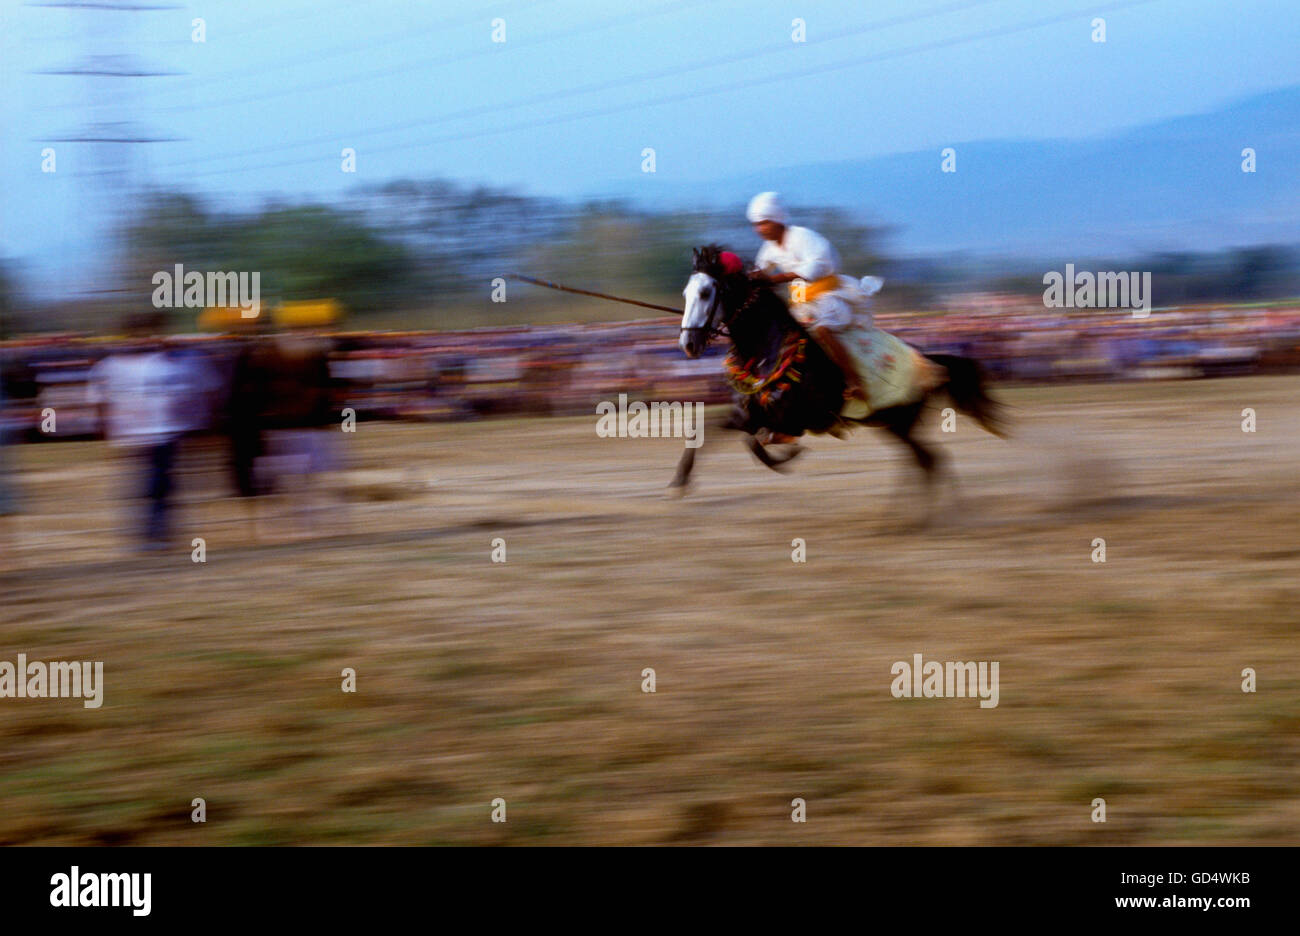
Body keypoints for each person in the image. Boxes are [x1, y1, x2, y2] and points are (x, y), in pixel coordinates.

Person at [746, 191, 871, 404]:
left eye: (764, 223)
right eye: (756, 225)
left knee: (822, 329)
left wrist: (779, 277)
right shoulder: (768, 249)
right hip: (801, 305)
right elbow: (760, 272)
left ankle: (855, 381)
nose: (760, 230)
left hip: (829, 297)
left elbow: (819, 265)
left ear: (777, 220)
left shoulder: (802, 236)